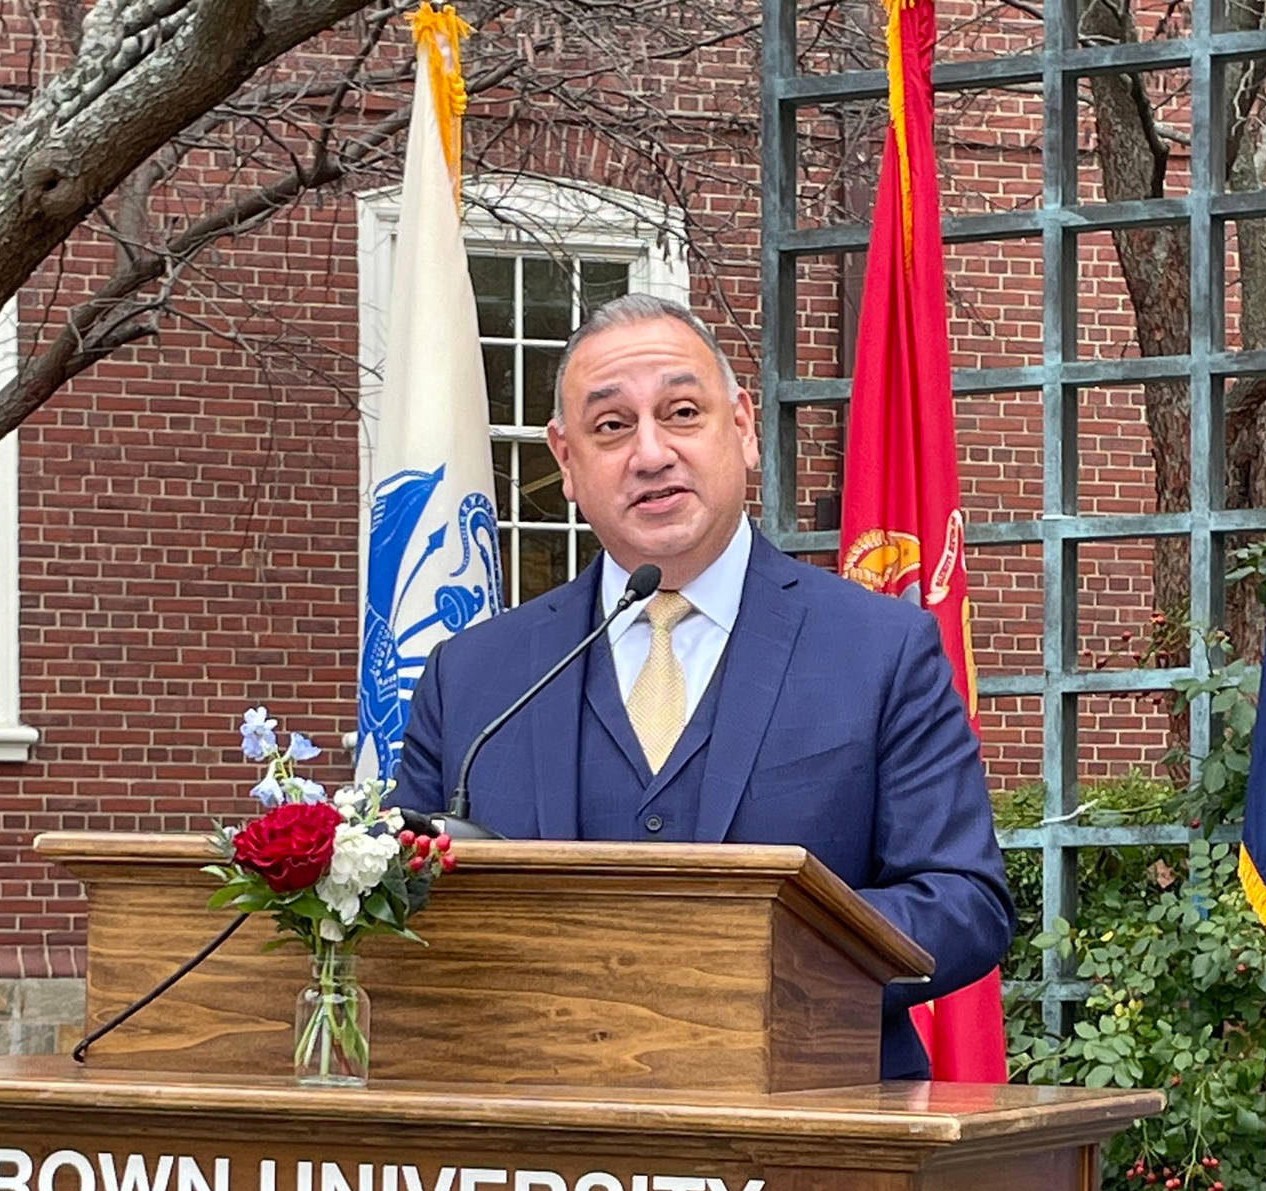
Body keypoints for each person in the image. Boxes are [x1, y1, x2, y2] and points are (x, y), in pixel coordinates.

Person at [396, 294, 1014, 1078]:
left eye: (682, 412)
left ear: (744, 428)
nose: (651, 453)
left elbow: (963, 904)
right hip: (538, 1146)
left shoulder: (880, 650)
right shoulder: (475, 677)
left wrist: (741, 963)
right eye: (612, 427)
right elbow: (399, 902)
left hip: (811, 1145)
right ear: (566, 460)